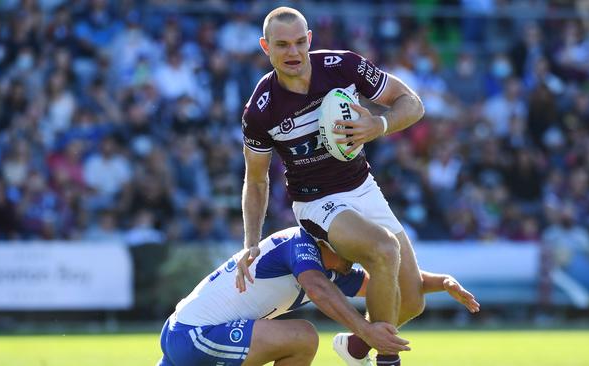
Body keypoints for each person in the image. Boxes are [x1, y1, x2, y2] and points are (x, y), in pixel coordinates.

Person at [238, 7, 425, 365]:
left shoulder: (343, 66)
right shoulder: (260, 110)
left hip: (362, 186)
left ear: (309, 39)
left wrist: (378, 125)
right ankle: (388, 361)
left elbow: (412, 103)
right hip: (316, 202)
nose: (292, 53)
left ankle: (355, 349)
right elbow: (257, 179)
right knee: (383, 249)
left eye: (298, 43)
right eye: (282, 45)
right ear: (266, 47)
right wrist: (250, 241)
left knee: (413, 300)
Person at [158, 227, 479, 366]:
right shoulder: (299, 244)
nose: (356, 257)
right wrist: (365, 331)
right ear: (330, 243)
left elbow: (384, 284)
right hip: (193, 336)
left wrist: (443, 283)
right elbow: (317, 288)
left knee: (300, 338)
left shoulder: (331, 266)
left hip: (185, 336)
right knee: (304, 336)